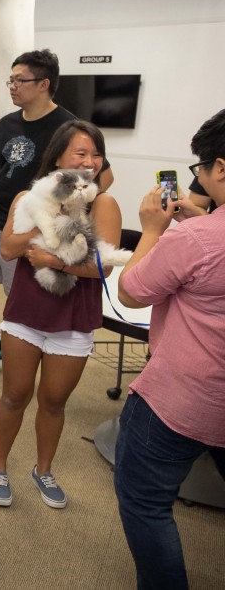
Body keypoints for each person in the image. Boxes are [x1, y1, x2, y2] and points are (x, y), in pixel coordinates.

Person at [114, 109, 225, 590]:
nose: (197, 177)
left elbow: (133, 291)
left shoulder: (199, 239)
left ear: (220, 168)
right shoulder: (206, 231)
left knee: (144, 500)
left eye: (199, 168)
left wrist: (154, 230)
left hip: (182, 397)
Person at [0, 121, 122, 510]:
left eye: (96, 154)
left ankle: (43, 470)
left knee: (54, 401)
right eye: (81, 153)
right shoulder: (30, 197)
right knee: (14, 396)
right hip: (26, 313)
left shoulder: (104, 204)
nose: (91, 162)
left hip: (74, 318)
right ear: (59, 156)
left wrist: (52, 259)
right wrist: (46, 220)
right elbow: (8, 249)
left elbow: (102, 268)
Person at [0, 49, 114, 370]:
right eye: (10, 80)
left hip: (32, 226)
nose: (12, 86)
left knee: (20, 297)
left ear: (43, 84)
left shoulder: (69, 127)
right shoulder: (6, 123)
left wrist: (62, 216)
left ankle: (23, 350)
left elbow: (104, 177)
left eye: (19, 80)